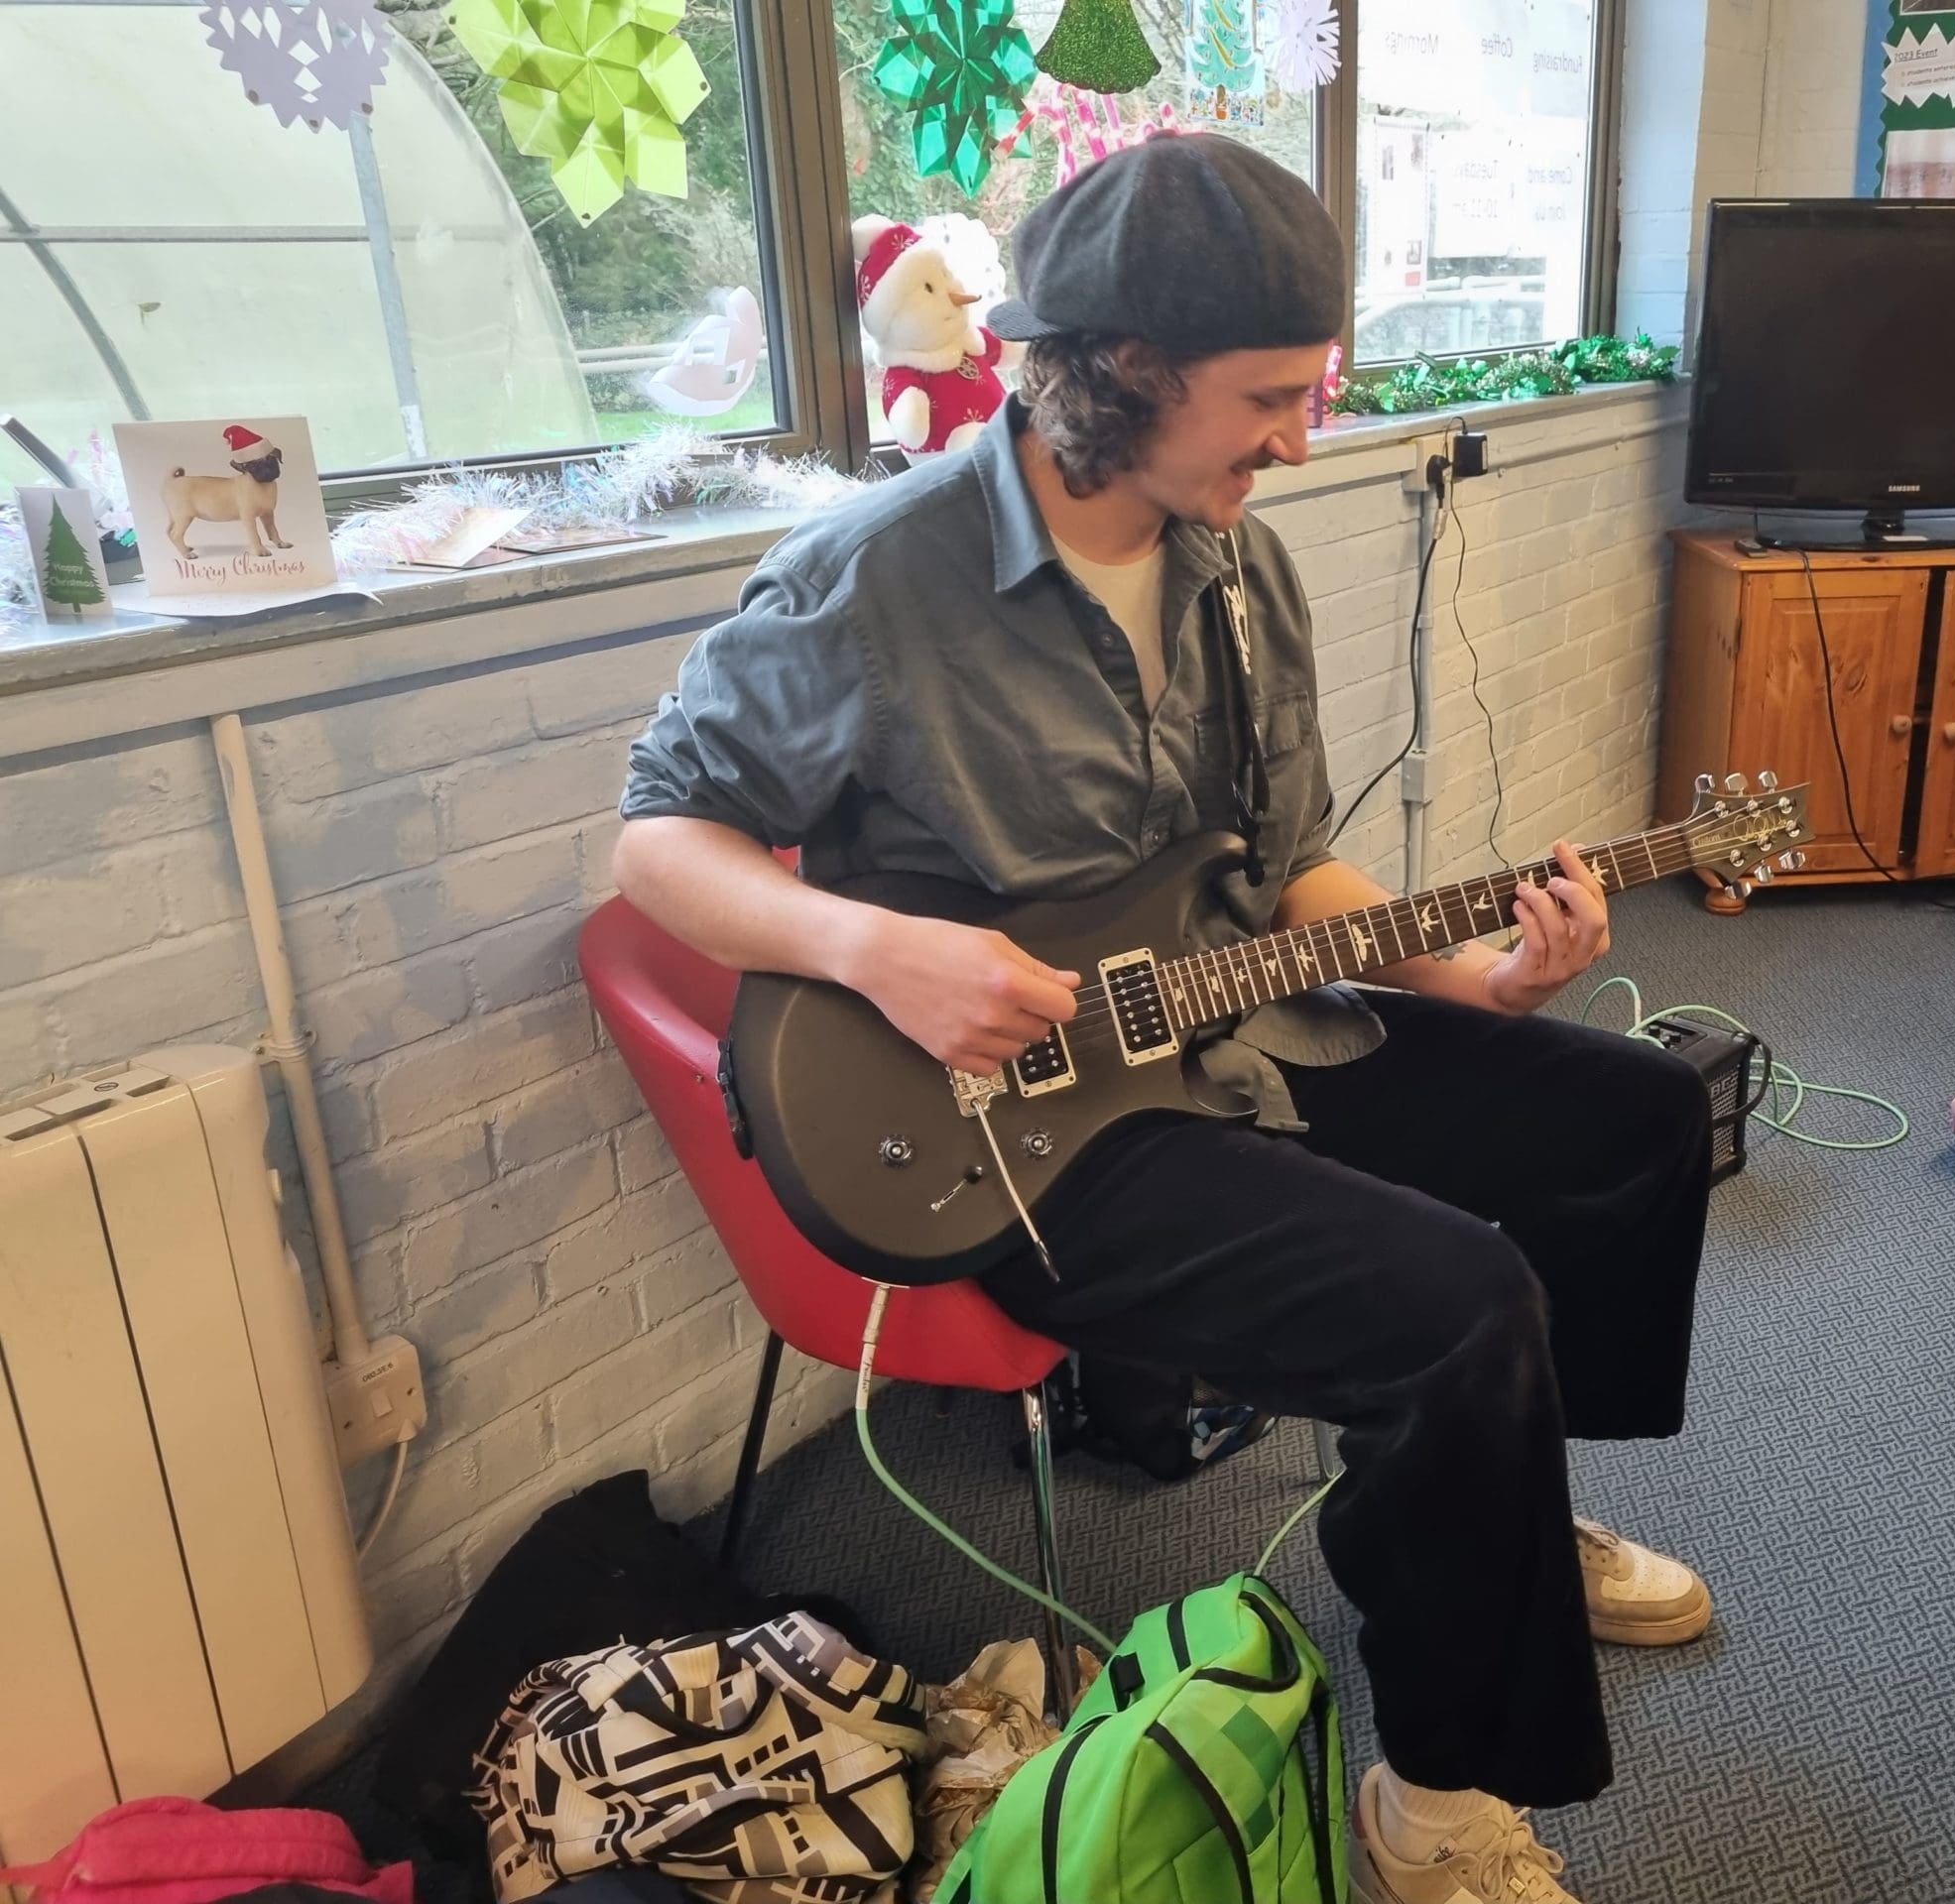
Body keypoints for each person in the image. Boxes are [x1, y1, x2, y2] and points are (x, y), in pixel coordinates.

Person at [613, 135, 1718, 1904]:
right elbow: (659, 837)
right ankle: (1432, 1802)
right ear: (1120, 372)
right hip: (1017, 1133)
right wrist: (874, 949)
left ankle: (1508, 1511)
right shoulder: (879, 580)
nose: (1298, 438)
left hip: (1228, 1037)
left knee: (1635, 1117)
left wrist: (1492, 977)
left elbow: (1290, 883)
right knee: (1455, 1310)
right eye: (1268, 399)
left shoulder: (1236, 563)